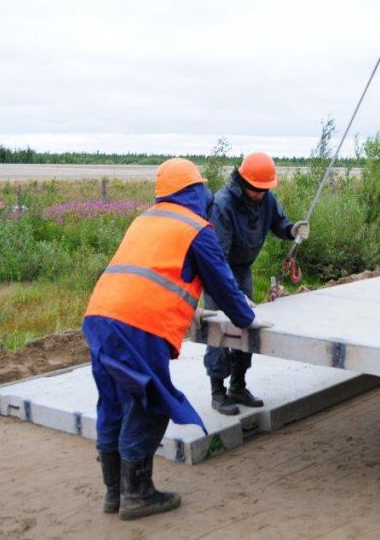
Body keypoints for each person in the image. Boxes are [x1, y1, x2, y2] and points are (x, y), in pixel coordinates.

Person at [83, 158, 265, 520]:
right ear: (196, 191)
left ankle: (114, 494)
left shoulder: (144, 219)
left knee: (114, 402)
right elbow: (225, 288)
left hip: (99, 318)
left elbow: (150, 271)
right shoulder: (196, 228)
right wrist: (247, 318)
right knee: (150, 403)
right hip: (139, 327)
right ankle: (138, 495)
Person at [203, 152, 309, 415]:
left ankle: (238, 386)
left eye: (265, 189)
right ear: (244, 182)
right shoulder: (222, 205)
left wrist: (292, 230)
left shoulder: (266, 198)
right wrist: (234, 295)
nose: (261, 194)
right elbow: (218, 258)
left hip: (243, 271)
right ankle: (218, 391)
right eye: (257, 189)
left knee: (247, 329)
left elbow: (278, 222)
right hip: (219, 274)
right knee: (220, 331)